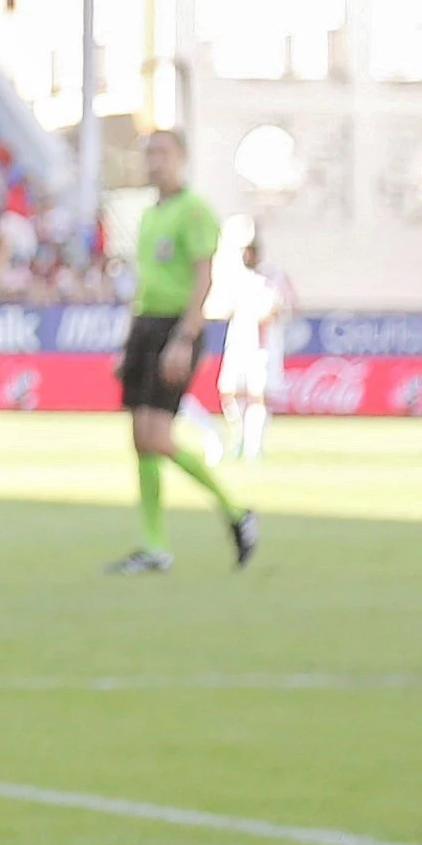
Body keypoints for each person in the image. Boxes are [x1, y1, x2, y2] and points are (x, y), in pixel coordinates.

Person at [108, 130, 258, 574]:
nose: (154, 162)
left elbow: (203, 277)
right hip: (145, 325)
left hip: (176, 326)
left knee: (156, 436)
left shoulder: (194, 210)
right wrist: (128, 340)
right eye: (149, 153)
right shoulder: (151, 214)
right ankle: (153, 545)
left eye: (163, 154)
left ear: (182, 158)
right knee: (141, 440)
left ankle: (236, 510)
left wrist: (185, 336)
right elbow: (146, 282)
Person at [216, 236, 292, 461]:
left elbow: (276, 308)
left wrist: (260, 315)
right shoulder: (237, 277)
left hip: (260, 347)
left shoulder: (271, 277)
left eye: (247, 251)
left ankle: (254, 447)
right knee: (229, 392)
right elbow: (223, 307)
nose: (244, 255)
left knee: (258, 396)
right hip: (237, 345)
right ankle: (238, 438)